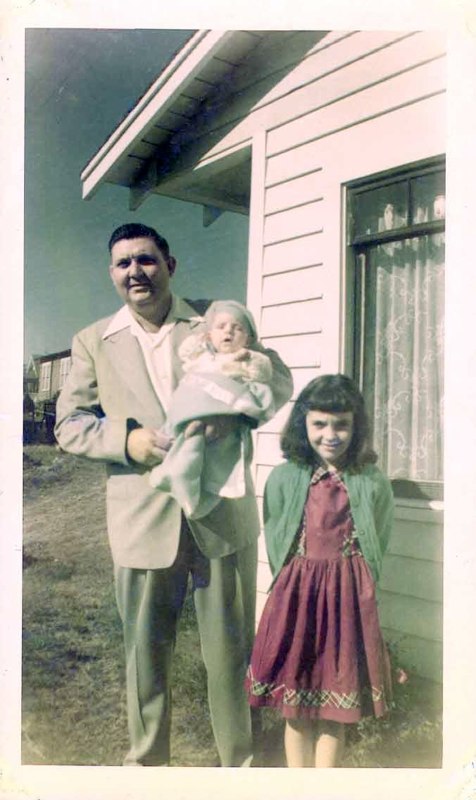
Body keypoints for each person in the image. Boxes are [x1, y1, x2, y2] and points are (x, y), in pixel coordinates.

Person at [54, 222, 293, 768]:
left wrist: (238, 413)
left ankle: (240, 766)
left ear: (170, 265)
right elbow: (69, 424)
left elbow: (276, 376)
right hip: (142, 517)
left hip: (220, 513)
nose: (135, 271)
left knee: (230, 653)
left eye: (146, 259)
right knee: (145, 655)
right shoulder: (94, 340)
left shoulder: (214, 320)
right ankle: (147, 768)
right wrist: (126, 441)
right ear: (112, 274)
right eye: (123, 263)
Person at [245, 374, 394, 768]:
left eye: (341, 424)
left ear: (356, 426)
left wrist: (359, 582)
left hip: (346, 599)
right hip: (298, 597)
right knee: (296, 703)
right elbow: (276, 530)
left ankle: (323, 785)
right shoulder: (285, 477)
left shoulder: (370, 481)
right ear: (303, 424)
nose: (331, 435)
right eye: (320, 424)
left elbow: (378, 536)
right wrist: (291, 581)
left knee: (335, 705)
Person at [150, 299, 275, 519]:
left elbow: (263, 373)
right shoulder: (204, 356)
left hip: (219, 409)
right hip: (190, 406)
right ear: (209, 335)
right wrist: (199, 340)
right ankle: (175, 474)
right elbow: (185, 352)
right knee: (184, 446)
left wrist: (249, 359)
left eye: (238, 328)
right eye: (221, 327)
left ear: (249, 339)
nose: (229, 332)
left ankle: (193, 493)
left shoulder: (244, 359)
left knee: (209, 458)